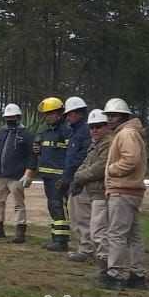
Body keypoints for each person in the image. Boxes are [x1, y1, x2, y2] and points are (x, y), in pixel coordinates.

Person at [103, 98, 147, 289]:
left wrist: (112, 170)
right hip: (131, 190)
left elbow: (130, 160)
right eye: (109, 116)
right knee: (132, 236)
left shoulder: (127, 133)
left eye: (113, 116)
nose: (110, 119)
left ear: (123, 116)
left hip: (123, 190)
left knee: (117, 234)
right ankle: (137, 274)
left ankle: (116, 274)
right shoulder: (129, 132)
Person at [26, 97, 73, 252]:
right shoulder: (45, 132)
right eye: (46, 114)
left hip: (59, 177)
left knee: (59, 207)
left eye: (50, 114)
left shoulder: (66, 131)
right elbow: (38, 151)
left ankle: (61, 241)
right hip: (47, 177)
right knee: (52, 207)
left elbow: (71, 154)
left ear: (59, 113)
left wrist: (67, 176)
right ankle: (55, 238)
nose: (47, 117)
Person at [70, 109, 115, 271]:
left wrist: (79, 177)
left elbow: (100, 168)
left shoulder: (109, 143)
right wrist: (78, 177)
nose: (94, 130)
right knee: (84, 222)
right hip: (90, 189)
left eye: (98, 126)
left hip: (100, 192)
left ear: (107, 126)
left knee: (99, 229)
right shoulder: (95, 144)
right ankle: (89, 251)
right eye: (92, 127)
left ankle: (106, 264)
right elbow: (86, 163)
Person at [0, 104, 35, 242]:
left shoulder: (26, 135)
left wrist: (29, 173)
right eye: (8, 117)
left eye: (12, 117)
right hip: (0, 175)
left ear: (19, 117)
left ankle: (20, 232)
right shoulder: (1, 133)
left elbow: (33, 155)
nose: (10, 119)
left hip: (17, 175)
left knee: (19, 204)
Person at [60, 97, 94, 260]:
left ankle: (86, 249)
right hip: (75, 178)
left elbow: (81, 158)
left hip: (81, 181)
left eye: (70, 114)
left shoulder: (84, 132)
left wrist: (69, 176)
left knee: (82, 216)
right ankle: (85, 246)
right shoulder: (75, 132)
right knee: (76, 215)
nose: (67, 117)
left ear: (79, 113)